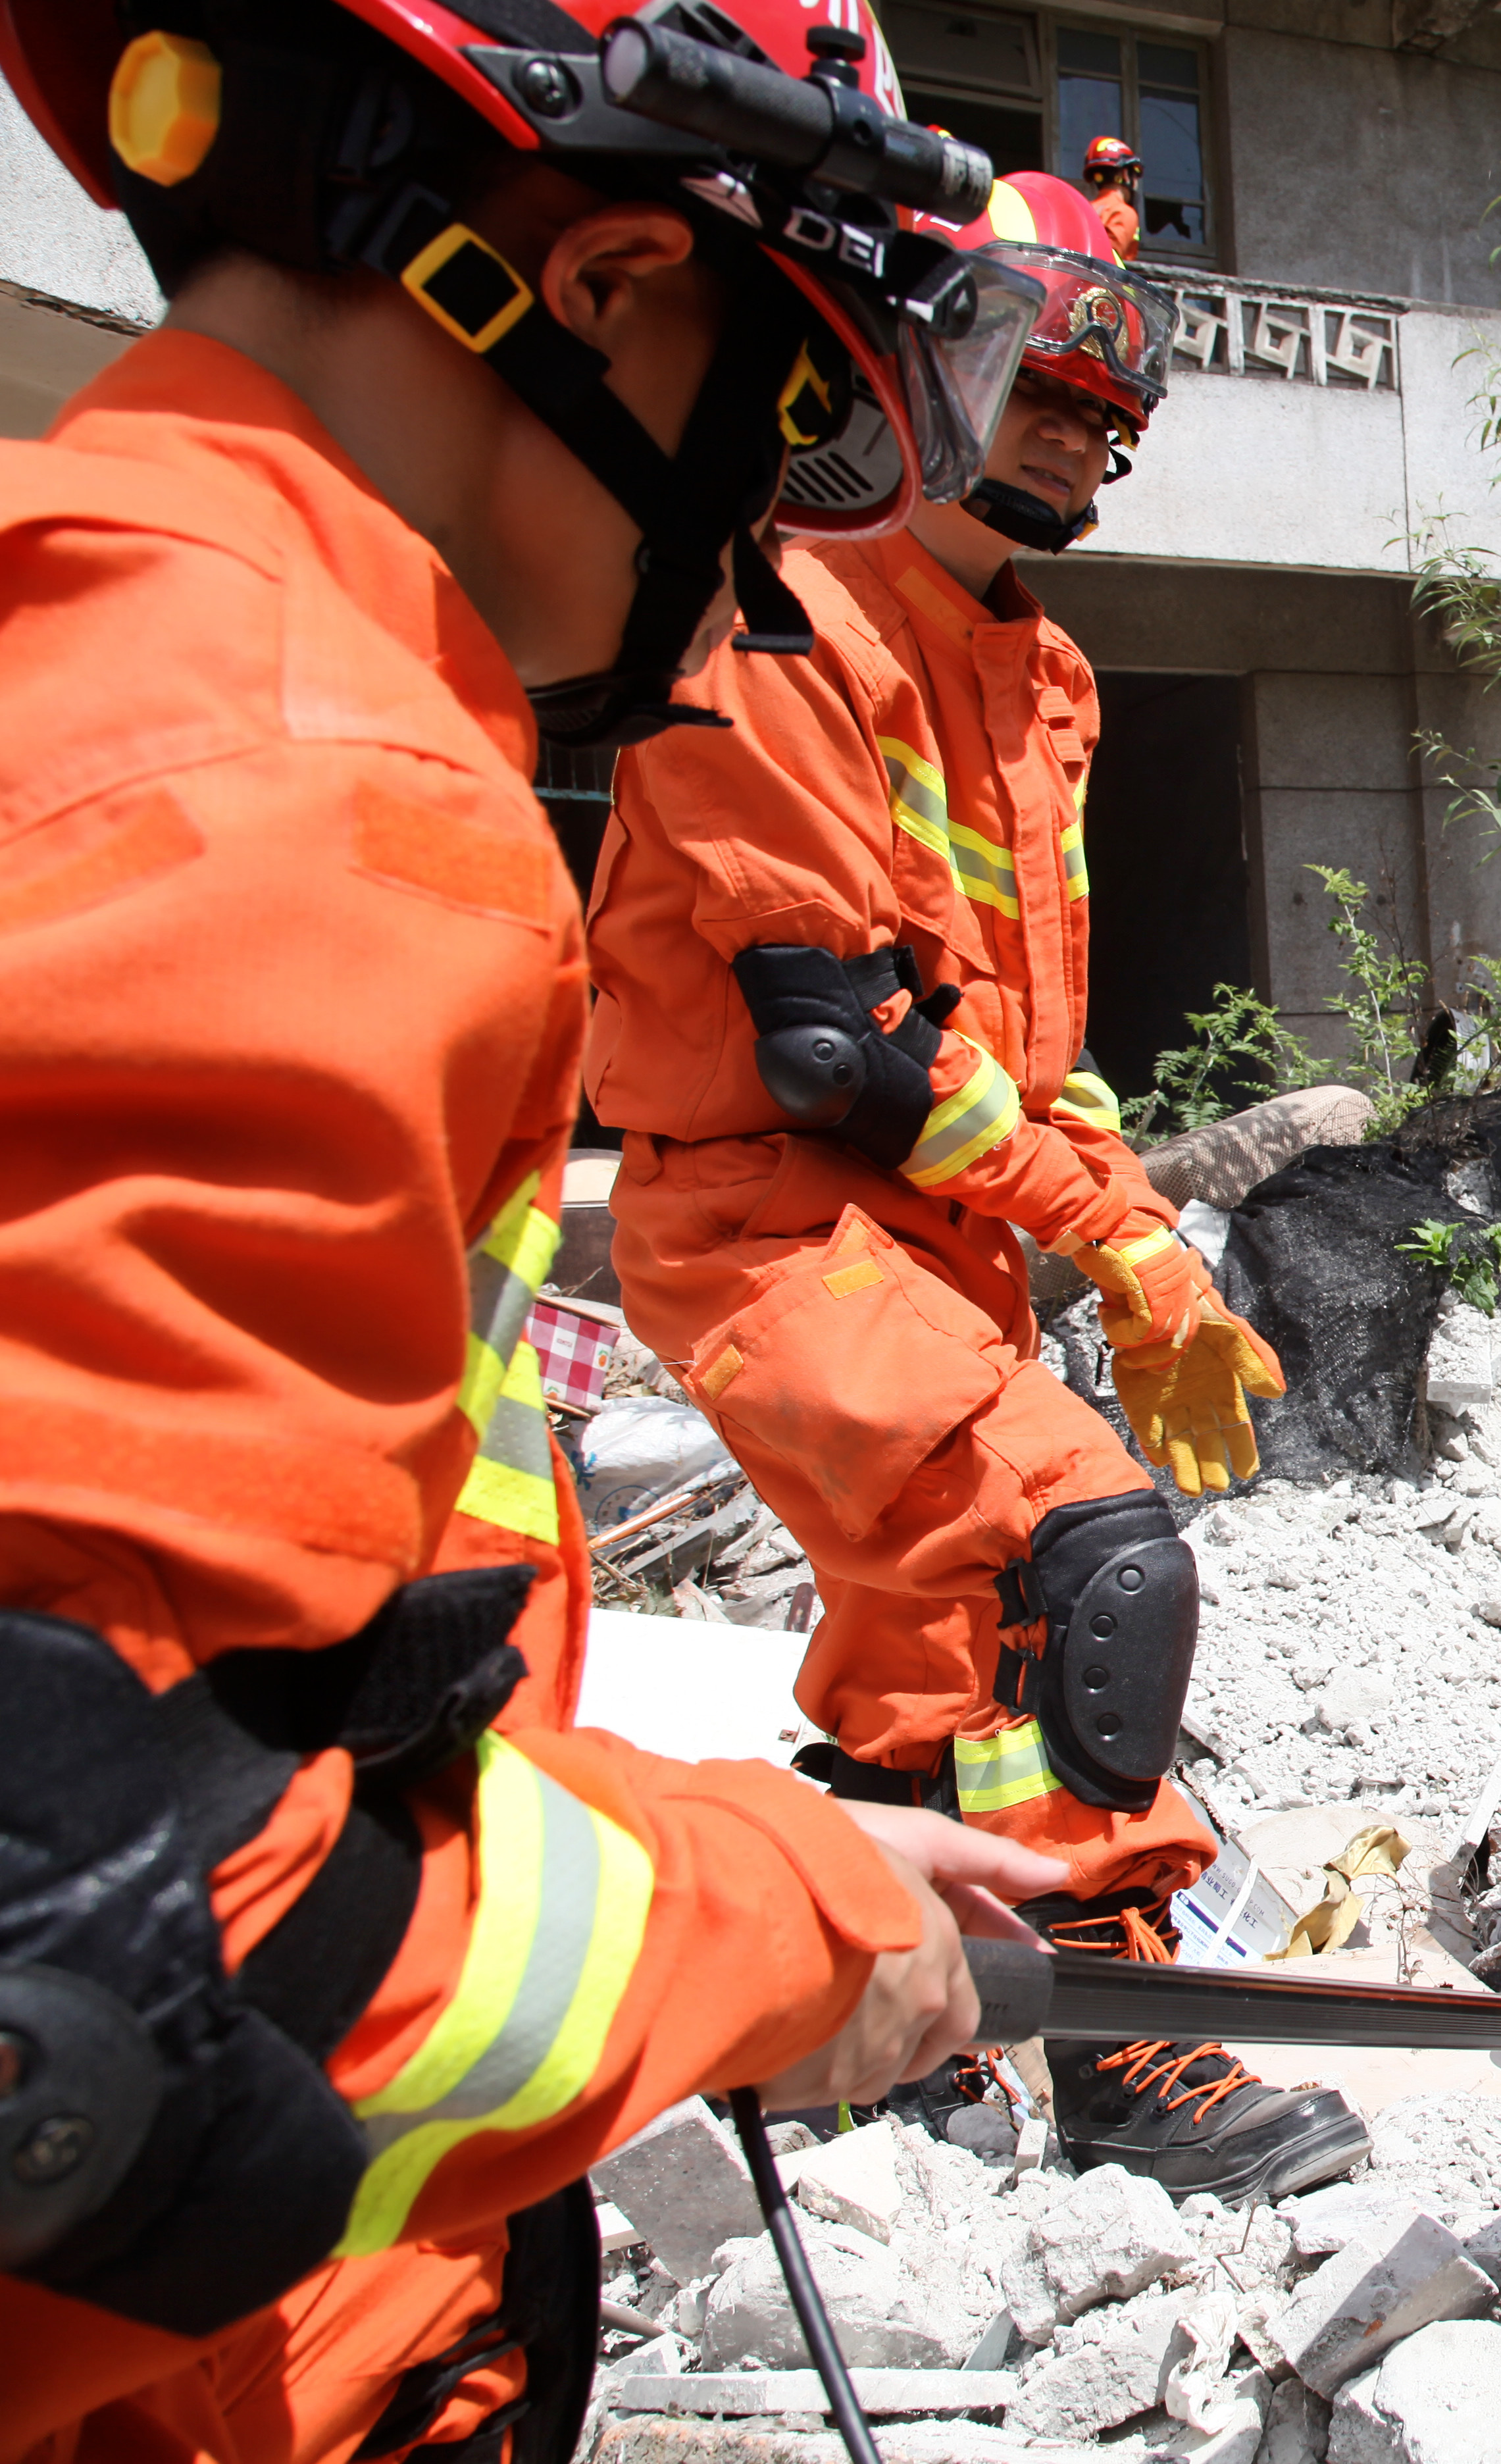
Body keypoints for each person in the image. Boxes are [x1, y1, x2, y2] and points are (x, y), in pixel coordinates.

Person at [0, 3, 1069, 2455]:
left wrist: (726, 1841)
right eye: (783, 415)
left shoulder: (105, 663)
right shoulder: (288, 797)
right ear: (598, 294)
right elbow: (103, 1982)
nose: (747, 573)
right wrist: (769, 1934)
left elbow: (200, 1726)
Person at [583, 170, 1365, 2204]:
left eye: (1116, 417)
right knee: (1082, 1547)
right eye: (1052, 388)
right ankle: (1119, 2034)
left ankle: (853, 2017)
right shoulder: (767, 613)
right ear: (934, 356)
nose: (1084, 441)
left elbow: (1033, 1046)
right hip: (771, 1210)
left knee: (939, 1631)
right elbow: (840, 1050)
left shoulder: (1050, 681)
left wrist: (1136, 1233)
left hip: (937, 1222)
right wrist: (1097, 1222)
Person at [1081, 133, 1144, 263]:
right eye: (1136, 173)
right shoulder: (1124, 213)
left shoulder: (1083, 210)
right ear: (1125, 174)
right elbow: (1109, 262)